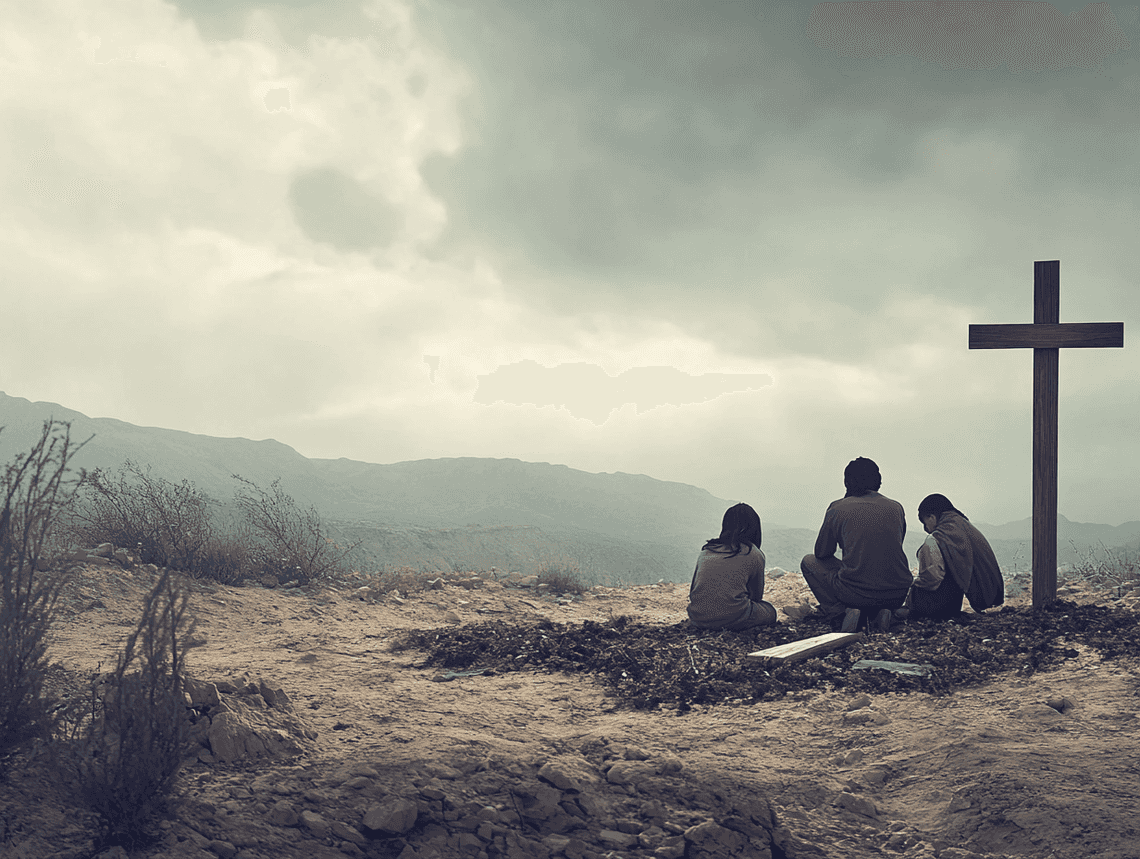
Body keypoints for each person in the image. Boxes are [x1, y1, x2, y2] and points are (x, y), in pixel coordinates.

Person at [800, 457, 912, 632]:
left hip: (856, 594)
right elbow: (894, 544)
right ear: (879, 481)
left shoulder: (838, 508)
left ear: (846, 482)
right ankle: (882, 615)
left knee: (809, 561)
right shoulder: (896, 507)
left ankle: (840, 613)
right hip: (896, 593)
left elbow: (822, 553)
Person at [907, 493, 1005, 620]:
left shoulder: (936, 539)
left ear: (931, 516)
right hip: (975, 600)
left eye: (925, 523)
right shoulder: (966, 528)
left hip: (939, 606)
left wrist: (914, 587)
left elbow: (932, 579)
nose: (926, 529)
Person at [687, 502, 777, 631]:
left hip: (698, 618)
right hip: (733, 618)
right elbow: (756, 596)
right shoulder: (753, 553)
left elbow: (694, 590)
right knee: (770, 611)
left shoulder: (707, 550)